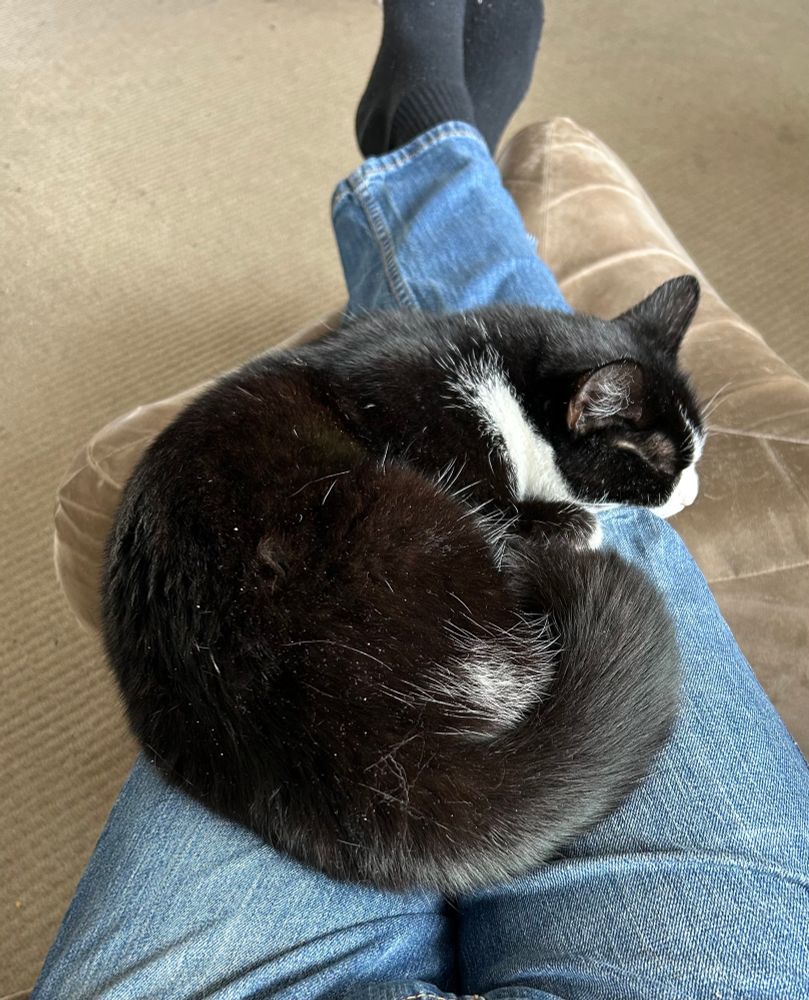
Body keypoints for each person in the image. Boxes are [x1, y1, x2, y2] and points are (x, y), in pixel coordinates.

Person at [32, 2, 809, 998]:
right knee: (592, 516)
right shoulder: (569, 412)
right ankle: (428, 146)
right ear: (590, 410)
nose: (683, 494)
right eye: (669, 472)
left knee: (460, 352)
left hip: (258, 691)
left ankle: (427, 140)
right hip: (424, 736)